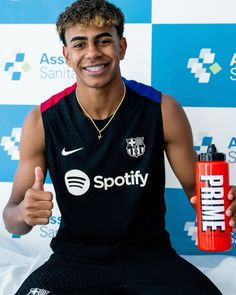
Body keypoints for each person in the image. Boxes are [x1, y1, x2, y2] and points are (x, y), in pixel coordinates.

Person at [3, 0, 236, 294]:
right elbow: (12, 219)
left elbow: (199, 195)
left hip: (150, 256)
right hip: (75, 259)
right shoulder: (41, 120)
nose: (92, 53)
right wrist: (23, 213)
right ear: (66, 55)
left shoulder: (163, 110)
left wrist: (223, 205)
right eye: (79, 44)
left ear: (121, 47)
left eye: (103, 40)